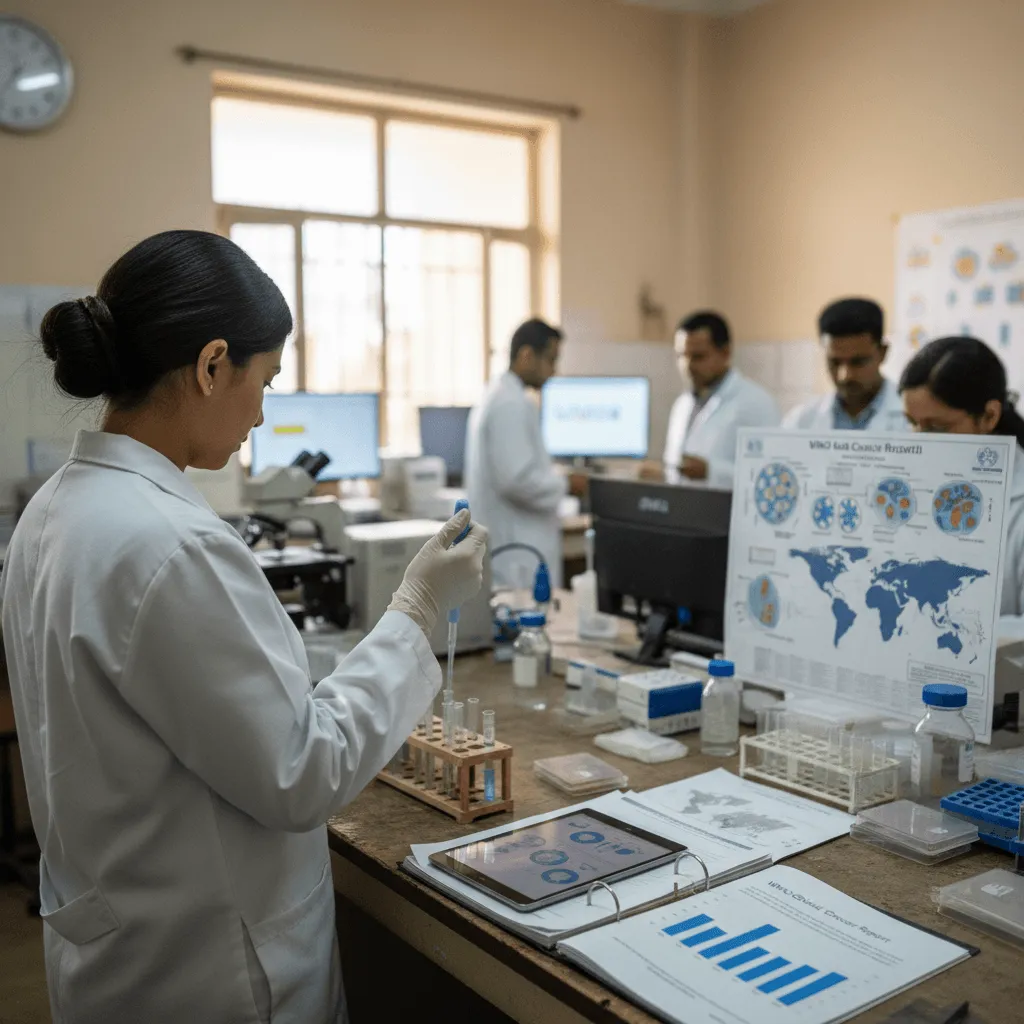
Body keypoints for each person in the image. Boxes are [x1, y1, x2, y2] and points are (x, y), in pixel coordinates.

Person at [0, 230, 487, 1024]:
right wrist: (417, 610)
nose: (262, 413)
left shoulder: (52, 510)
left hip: (121, 947)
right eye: (265, 380)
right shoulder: (171, 544)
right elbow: (302, 770)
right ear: (211, 363)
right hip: (212, 972)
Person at [899, 335, 1024, 621]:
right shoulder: (913, 484)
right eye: (912, 424)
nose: (921, 442)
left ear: (989, 416)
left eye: (938, 428)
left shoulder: (1019, 501)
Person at [465, 318, 584, 589]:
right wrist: (567, 484)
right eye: (551, 360)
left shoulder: (499, 395)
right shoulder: (511, 404)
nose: (554, 371)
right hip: (518, 561)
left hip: (512, 552)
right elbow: (516, 481)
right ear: (527, 355)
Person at [645, 311, 780, 488]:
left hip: (727, 514)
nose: (687, 366)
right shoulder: (682, 404)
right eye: (681, 356)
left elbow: (772, 476)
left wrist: (711, 471)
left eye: (698, 357)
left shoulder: (757, 404)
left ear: (725, 353)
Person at [783, 298, 907, 431]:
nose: (845, 376)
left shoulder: (912, 418)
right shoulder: (801, 421)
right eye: (835, 362)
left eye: (858, 362)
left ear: (883, 352)